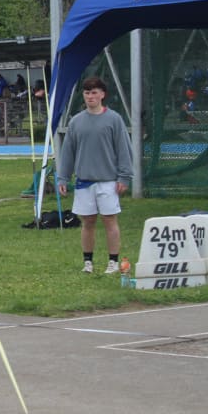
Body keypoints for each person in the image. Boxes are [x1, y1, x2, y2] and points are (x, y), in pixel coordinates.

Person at [57, 77, 133, 274]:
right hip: (84, 182)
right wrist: (63, 178)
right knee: (87, 222)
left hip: (108, 181)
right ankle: (88, 262)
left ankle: (113, 262)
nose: (91, 96)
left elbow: (124, 149)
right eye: (87, 92)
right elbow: (68, 152)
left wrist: (124, 177)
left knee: (110, 221)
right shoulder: (76, 121)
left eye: (94, 92)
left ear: (102, 95)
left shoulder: (114, 119)